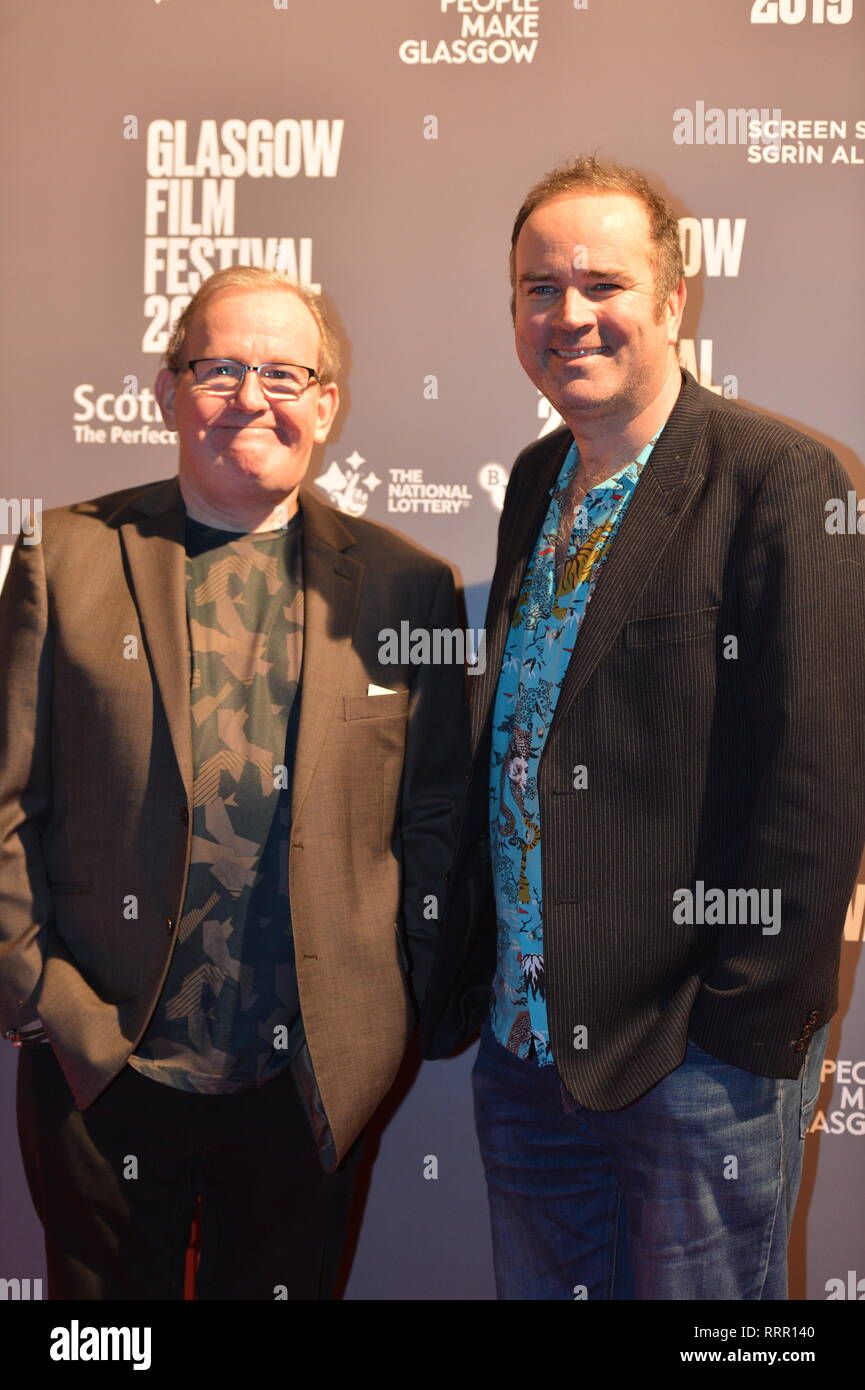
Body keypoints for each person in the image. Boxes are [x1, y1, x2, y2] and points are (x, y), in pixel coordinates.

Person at [421, 155, 865, 1300]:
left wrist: (739, 1025)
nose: (568, 314)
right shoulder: (534, 480)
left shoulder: (781, 481)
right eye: (537, 288)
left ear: (673, 299)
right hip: (526, 1047)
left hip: (692, 1055)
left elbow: (815, 787)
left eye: (602, 283)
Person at [0, 265, 469, 1300]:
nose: (250, 398)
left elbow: (435, 820)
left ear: (325, 403)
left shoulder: (406, 586)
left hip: (307, 1079)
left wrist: (391, 1008)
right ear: (167, 392)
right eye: (218, 369)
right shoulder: (66, 555)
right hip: (103, 1062)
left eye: (282, 372)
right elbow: (5, 796)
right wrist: (32, 990)